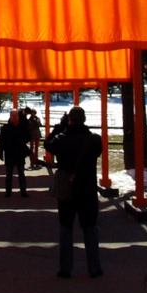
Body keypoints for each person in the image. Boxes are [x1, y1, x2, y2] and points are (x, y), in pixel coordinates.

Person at [52, 106, 103, 279]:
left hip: (67, 189)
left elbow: (48, 144)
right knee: (90, 228)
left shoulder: (62, 139)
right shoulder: (94, 140)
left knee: (66, 227)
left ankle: (65, 268)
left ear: (70, 120)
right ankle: (94, 268)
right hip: (87, 189)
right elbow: (98, 152)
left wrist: (59, 128)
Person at [0, 109, 31, 197]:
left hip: (20, 153)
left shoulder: (23, 126)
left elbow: (28, 137)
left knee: (21, 174)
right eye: (13, 116)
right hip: (9, 154)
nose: (14, 117)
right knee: (9, 174)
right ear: (10, 117)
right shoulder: (5, 128)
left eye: (16, 116)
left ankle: (23, 191)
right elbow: (1, 141)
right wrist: (0, 152)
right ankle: (8, 192)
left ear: (18, 116)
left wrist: (21, 140)